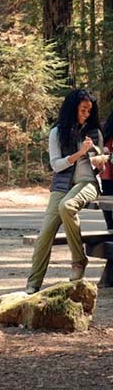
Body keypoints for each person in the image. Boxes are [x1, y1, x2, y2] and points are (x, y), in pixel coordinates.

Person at [26, 89, 106, 294]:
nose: (86, 114)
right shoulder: (57, 133)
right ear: (72, 109)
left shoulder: (95, 133)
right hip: (62, 185)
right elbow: (56, 165)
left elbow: (100, 165)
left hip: (87, 184)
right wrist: (79, 153)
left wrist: (100, 162)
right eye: (82, 110)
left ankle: (79, 260)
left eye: (89, 111)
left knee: (67, 206)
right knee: (45, 234)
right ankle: (32, 286)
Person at [98, 112, 113, 287]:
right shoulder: (104, 131)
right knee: (110, 228)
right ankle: (109, 275)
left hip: (107, 181)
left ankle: (109, 275)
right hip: (108, 182)